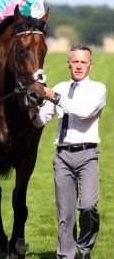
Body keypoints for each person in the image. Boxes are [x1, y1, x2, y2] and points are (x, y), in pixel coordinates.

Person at [31, 44, 106, 259]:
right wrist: (32, 109)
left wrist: (52, 95)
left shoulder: (98, 89)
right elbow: (41, 121)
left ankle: (84, 250)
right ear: (68, 64)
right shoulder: (61, 87)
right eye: (75, 61)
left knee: (89, 206)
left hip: (88, 154)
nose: (79, 66)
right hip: (62, 155)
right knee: (65, 213)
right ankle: (65, 255)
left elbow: (84, 111)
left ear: (90, 65)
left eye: (83, 62)